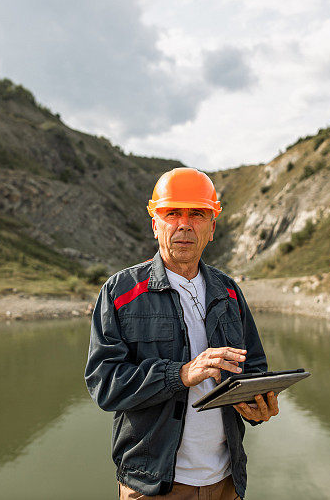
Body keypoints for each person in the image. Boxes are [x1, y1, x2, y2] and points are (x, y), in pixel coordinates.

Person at [84, 167, 279, 499]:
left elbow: (254, 368)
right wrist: (182, 373)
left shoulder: (229, 291)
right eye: (172, 212)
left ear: (212, 228)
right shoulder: (121, 292)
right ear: (155, 224)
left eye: (198, 214)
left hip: (225, 482)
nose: (185, 224)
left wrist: (258, 406)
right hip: (153, 486)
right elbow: (105, 385)